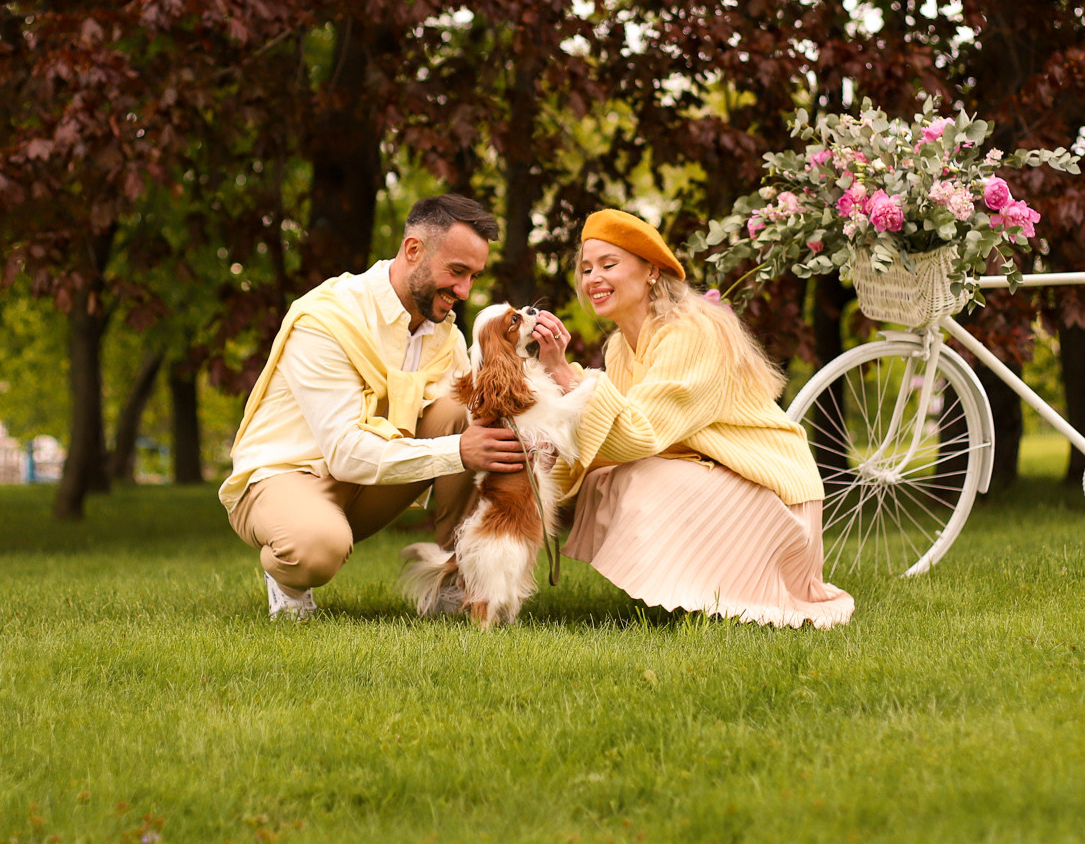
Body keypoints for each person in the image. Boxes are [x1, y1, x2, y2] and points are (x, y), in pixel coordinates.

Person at [529, 209, 853, 628]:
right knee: (605, 479)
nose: (593, 278)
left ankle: (714, 594)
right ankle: (683, 595)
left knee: (641, 479)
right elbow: (608, 441)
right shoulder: (618, 348)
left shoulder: (690, 332)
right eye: (586, 268)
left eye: (609, 265)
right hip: (718, 476)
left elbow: (639, 436)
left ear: (651, 272)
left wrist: (565, 374)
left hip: (774, 496)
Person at [220, 194, 526, 619]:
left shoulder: (445, 336)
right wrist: (457, 452)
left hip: (367, 485)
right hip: (287, 476)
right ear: (413, 249)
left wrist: (549, 362)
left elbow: (480, 419)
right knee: (316, 546)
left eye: (474, 276)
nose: (464, 290)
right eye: (456, 272)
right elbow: (345, 453)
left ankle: (458, 579)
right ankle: (288, 577)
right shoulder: (326, 320)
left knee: (465, 413)